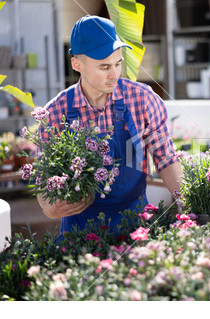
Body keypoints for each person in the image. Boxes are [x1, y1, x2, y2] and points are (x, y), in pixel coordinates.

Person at [37, 15, 183, 235]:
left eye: (118, 63)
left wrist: (187, 206)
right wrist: (49, 208)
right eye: (104, 67)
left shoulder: (143, 100)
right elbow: (43, 177)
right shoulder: (55, 112)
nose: (114, 74)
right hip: (79, 232)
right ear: (77, 64)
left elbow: (167, 159)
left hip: (135, 224)